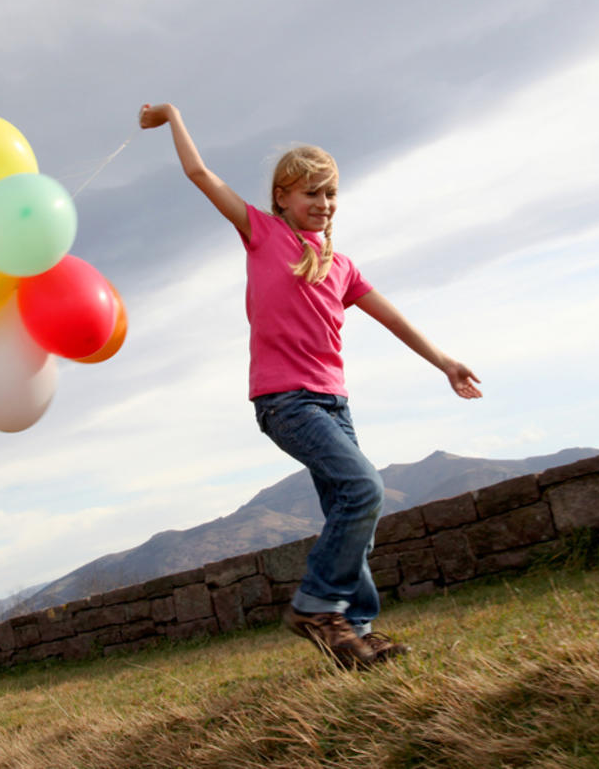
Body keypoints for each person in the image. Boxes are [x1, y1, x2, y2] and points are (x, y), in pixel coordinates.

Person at [138, 103, 482, 668]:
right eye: (310, 194)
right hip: (285, 401)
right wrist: (174, 117)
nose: (322, 205)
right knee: (366, 489)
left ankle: (354, 633)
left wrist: (444, 361)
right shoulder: (262, 233)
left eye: (330, 196)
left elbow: (392, 318)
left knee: (357, 520)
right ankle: (316, 606)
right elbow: (201, 175)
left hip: (334, 406)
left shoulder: (341, 266)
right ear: (282, 198)